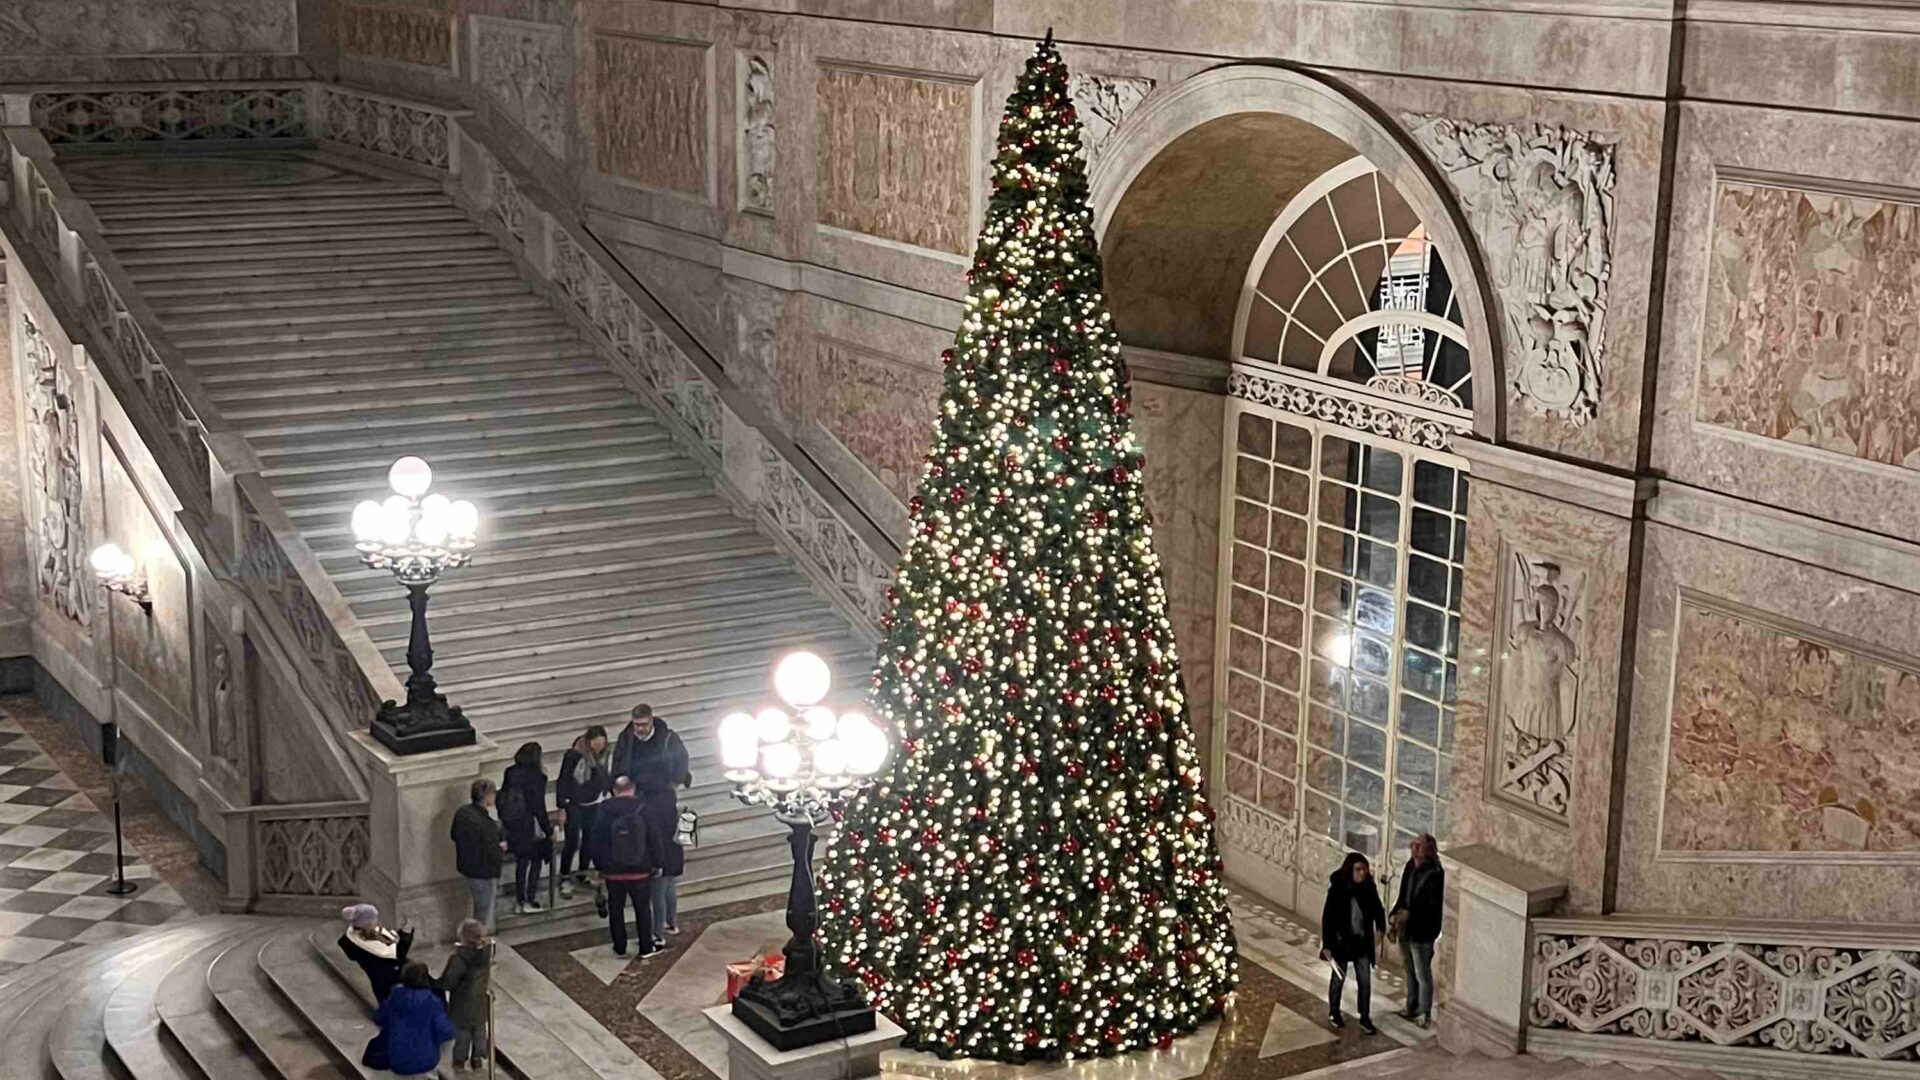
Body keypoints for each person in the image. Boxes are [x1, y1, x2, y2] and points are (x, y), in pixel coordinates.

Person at [589, 774, 660, 957]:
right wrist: (657, 862)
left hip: (613, 872)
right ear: (633, 789)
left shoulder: (603, 811)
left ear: (613, 791)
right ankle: (646, 946)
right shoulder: (643, 808)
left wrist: (599, 866)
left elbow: (595, 840)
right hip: (640, 870)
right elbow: (654, 838)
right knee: (643, 909)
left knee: (616, 909)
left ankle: (619, 946)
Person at [1320, 851, 1386, 1035]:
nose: (1362, 873)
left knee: (1364, 980)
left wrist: (1381, 926)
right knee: (1338, 978)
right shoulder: (1338, 889)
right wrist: (1327, 944)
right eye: (1358, 869)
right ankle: (1334, 1011)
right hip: (1342, 942)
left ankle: (1364, 1016)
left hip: (1361, 942)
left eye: (1364, 869)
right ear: (1350, 870)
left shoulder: (1368, 889)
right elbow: (1328, 917)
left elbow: (1377, 909)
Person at [1389, 833, 1445, 1028]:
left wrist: (1409, 915)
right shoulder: (1410, 866)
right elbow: (1403, 894)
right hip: (1407, 928)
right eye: (1413, 844)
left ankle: (1424, 1012)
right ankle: (1410, 1006)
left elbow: (1430, 905)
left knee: (1422, 972)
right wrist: (1394, 913)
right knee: (1409, 969)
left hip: (1423, 930)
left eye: (1418, 845)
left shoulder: (1435, 874)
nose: (1413, 847)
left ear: (1427, 850)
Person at [369, 961, 454, 1078]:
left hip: (399, 1059)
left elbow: (379, 1018)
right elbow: (446, 1031)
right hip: (425, 1061)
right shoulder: (433, 1003)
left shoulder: (395, 997)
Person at [556, 725, 612, 899]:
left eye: (601, 744)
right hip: (575, 804)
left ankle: (583, 872)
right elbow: (563, 780)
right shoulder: (574, 755)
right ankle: (564, 876)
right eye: (596, 744)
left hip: (593, 803)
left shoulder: (603, 756)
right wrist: (561, 806)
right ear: (588, 741)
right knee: (572, 841)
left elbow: (604, 777)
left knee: (589, 840)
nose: (598, 748)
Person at [636, 760, 685, 946]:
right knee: (669, 886)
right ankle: (672, 923)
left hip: (658, 850)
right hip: (674, 847)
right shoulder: (670, 795)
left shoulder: (646, 803)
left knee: (657, 893)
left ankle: (657, 933)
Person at [500, 742, 552, 915]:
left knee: (521, 863)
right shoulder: (538, 776)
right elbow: (539, 806)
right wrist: (548, 828)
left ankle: (519, 900)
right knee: (535, 862)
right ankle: (530, 898)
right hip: (530, 825)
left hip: (514, 825)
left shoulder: (510, 772)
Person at [435, 918, 493, 1071]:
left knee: (462, 1035)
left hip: (462, 1004)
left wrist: (436, 984)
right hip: (480, 1002)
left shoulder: (458, 959)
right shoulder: (486, 955)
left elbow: (449, 981)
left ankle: (460, 1061)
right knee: (479, 1032)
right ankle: (477, 1058)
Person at [451, 779, 506, 932]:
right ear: (487, 796)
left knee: (478, 907)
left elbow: (454, 835)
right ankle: (475, 941)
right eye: (493, 793)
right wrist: (501, 848)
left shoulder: (462, 813)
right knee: (482, 913)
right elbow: (492, 851)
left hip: (467, 867)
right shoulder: (486, 824)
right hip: (484, 873)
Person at [338, 904, 414, 1005]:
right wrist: (405, 936)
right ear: (367, 923)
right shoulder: (368, 948)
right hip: (388, 982)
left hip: (380, 980)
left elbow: (351, 956)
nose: (377, 921)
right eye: (374, 919)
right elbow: (396, 957)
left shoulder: (351, 937)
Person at [612, 704, 691, 791]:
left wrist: (674, 783)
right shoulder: (625, 739)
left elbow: (682, 759)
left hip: (663, 789)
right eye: (637, 725)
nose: (640, 728)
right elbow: (617, 763)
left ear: (651, 721)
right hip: (636, 792)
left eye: (644, 724)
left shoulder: (668, 737)